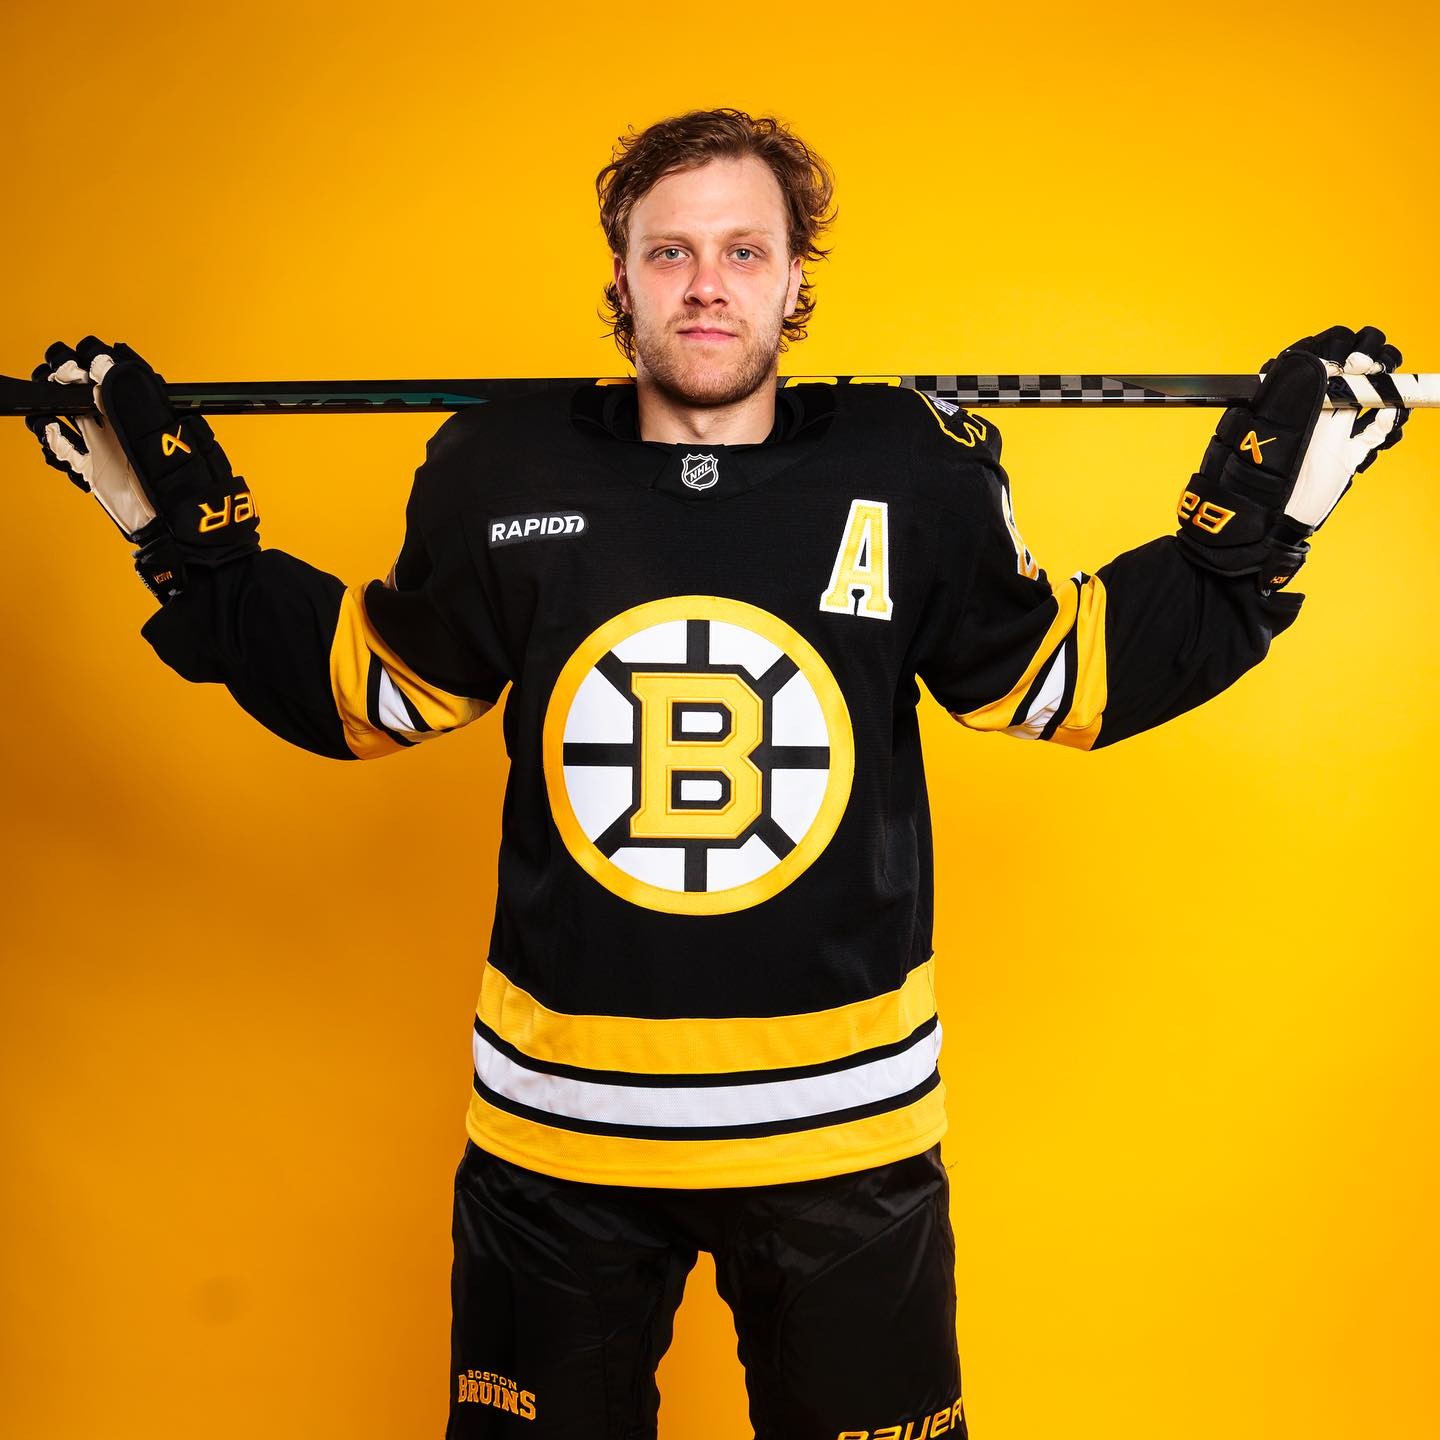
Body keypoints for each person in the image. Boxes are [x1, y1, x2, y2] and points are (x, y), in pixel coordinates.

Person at [27, 107, 1407, 1440]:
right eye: (671, 251)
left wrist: (1251, 538)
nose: (706, 286)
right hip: (558, 1144)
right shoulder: (496, 470)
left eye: (745, 250)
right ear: (621, 280)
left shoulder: (909, 472)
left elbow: (1060, 683)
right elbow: (373, 695)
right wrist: (185, 543)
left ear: (796, 281)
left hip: (844, 1142)